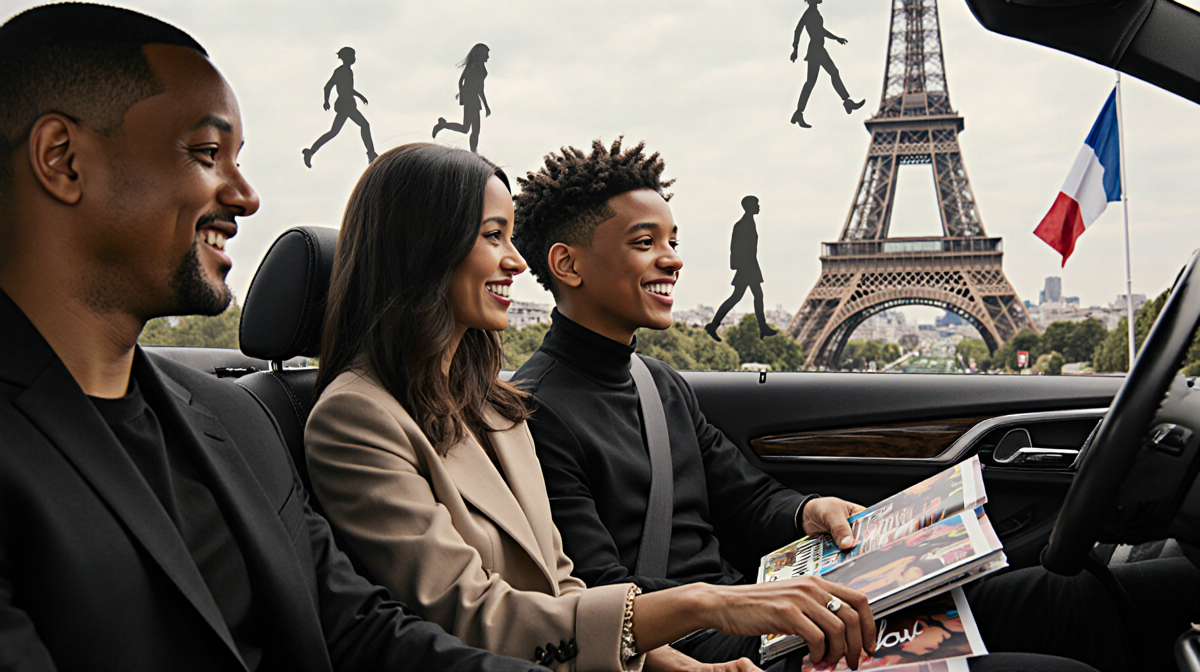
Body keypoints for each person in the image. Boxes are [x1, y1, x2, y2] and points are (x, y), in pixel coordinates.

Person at [508, 138, 1196, 672]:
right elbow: (598, 597)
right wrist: (749, 604)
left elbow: (747, 505)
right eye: (644, 243)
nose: (672, 260)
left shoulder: (660, 384)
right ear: (568, 265)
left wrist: (812, 511)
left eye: (673, 242)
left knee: (1070, 599)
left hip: (766, 611)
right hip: (717, 643)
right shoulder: (536, 415)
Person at [0, 5, 543, 670]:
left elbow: (359, 631)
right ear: (63, 159)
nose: (247, 196)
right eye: (206, 153)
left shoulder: (237, 423)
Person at [304, 142, 879, 672]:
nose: (517, 262)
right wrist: (709, 605)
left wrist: (684, 669)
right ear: (422, 247)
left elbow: (563, 585)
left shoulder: (495, 407)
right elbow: (477, 616)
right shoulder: (358, 420)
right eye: (492, 236)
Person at [705, 195, 776, 342]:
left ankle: (714, 325)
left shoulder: (747, 223)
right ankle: (714, 325)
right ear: (749, 207)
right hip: (747, 266)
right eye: (756, 204)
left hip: (749, 265)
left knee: (742, 297)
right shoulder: (743, 224)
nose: (759, 206)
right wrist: (738, 265)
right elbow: (735, 246)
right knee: (743, 297)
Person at [789, 0, 864, 128]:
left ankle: (799, 112)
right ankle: (846, 102)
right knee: (828, 75)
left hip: (817, 49)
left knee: (814, 81)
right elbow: (812, 31)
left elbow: (801, 30)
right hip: (816, 50)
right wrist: (795, 49)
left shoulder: (812, 12)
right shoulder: (811, 13)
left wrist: (795, 49)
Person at [303, 46, 377, 167]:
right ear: (347, 58)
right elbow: (328, 86)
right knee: (363, 125)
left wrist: (360, 96)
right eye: (353, 56)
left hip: (346, 103)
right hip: (345, 104)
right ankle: (371, 153)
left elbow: (347, 88)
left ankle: (311, 151)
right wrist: (326, 101)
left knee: (334, 131)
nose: (354, 58)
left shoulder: (345, 71)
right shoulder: (342, 71)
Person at [433, 43, 492, 153]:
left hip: (473, 99)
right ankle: (473, 151)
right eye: (486, 54)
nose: (488, 57)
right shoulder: (476, 68)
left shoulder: (478, 68)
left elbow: (472, 85)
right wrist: (463, 95)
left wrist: (463, 94)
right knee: (471, 129)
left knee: (468, 129)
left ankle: (444, 125)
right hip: (472, 100)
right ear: (480, 55)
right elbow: (470, 85)